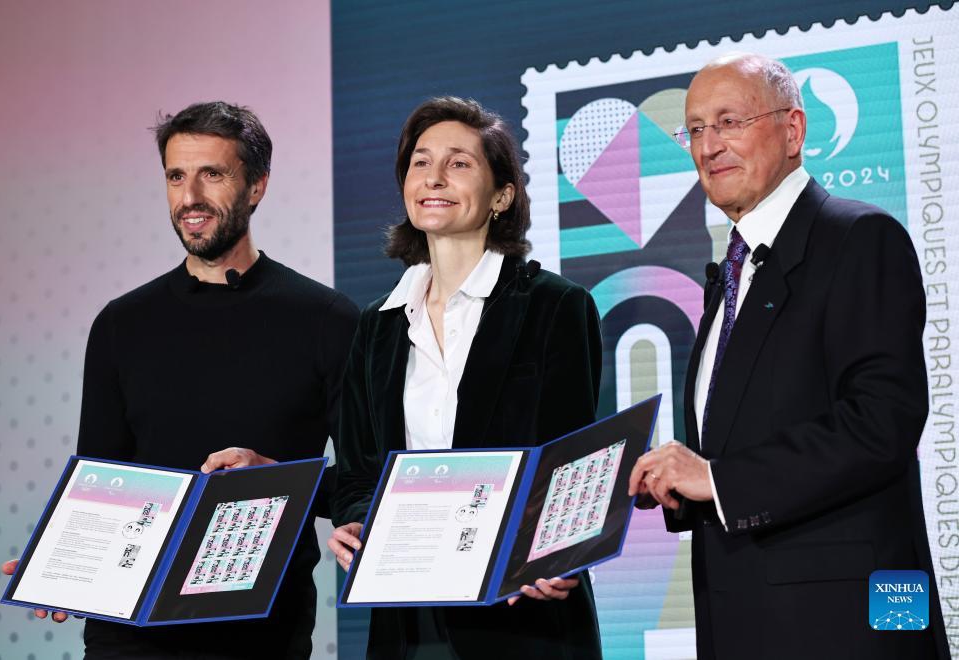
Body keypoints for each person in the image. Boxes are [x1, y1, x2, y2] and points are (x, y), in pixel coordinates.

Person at [1, 101, 359, 659]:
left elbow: (364, 480)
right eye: (175, 176)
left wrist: (282, 477)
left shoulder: (326, 319)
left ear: (257, 186)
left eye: (211, 175)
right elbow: (102, 481)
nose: (189, 197)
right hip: (129, 631)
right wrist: (63, 563)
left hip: (258, 632)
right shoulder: (122, 323)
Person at [627, 53, 948, 659]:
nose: (709, 145)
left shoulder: (857, 238)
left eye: (729, 121)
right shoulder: (733, 269)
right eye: (695, 129)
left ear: (794, 130)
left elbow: (882, 423)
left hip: (840, 626)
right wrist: (676, 482)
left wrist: (716, 478)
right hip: (743, 621)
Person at [327, 97, 603, 659]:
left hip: (521, 609)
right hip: (407, 616)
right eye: (420, 162)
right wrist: (355, 524)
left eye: (459, 163)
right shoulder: (376, 326)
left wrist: (555, 550)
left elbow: (571, 466)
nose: (434, 177)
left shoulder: (556, 306)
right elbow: (358, 472)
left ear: (502, 195)